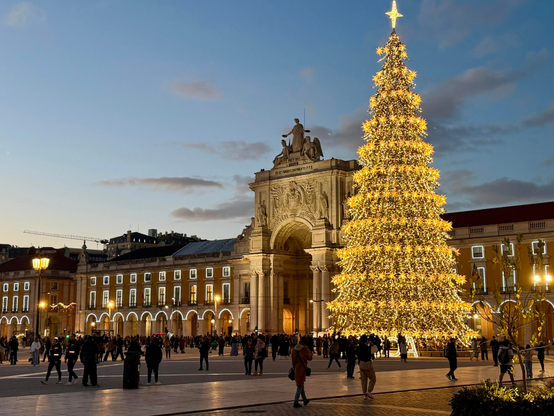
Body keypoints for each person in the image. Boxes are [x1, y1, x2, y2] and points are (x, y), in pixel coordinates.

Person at [291, 336, 312, 408]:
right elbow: (310, 358)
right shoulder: (304, 349)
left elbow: (293, 361)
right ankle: (295, 402)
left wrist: (294, 368)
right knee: (299, 386)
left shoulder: (294, 349)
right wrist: (309, 352)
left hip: (297, 368)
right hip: (302, 368)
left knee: (301, 384)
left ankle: (305, 400)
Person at [356, 335, 377, 400]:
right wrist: (372, 343)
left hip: (361, 364)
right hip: (367, 363)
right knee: (373, 379)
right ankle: (369, 391)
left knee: (364, 380)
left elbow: (357, 354)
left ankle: (364, 394)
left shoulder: (359, 347)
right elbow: (375, 349)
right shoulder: (368, 347)